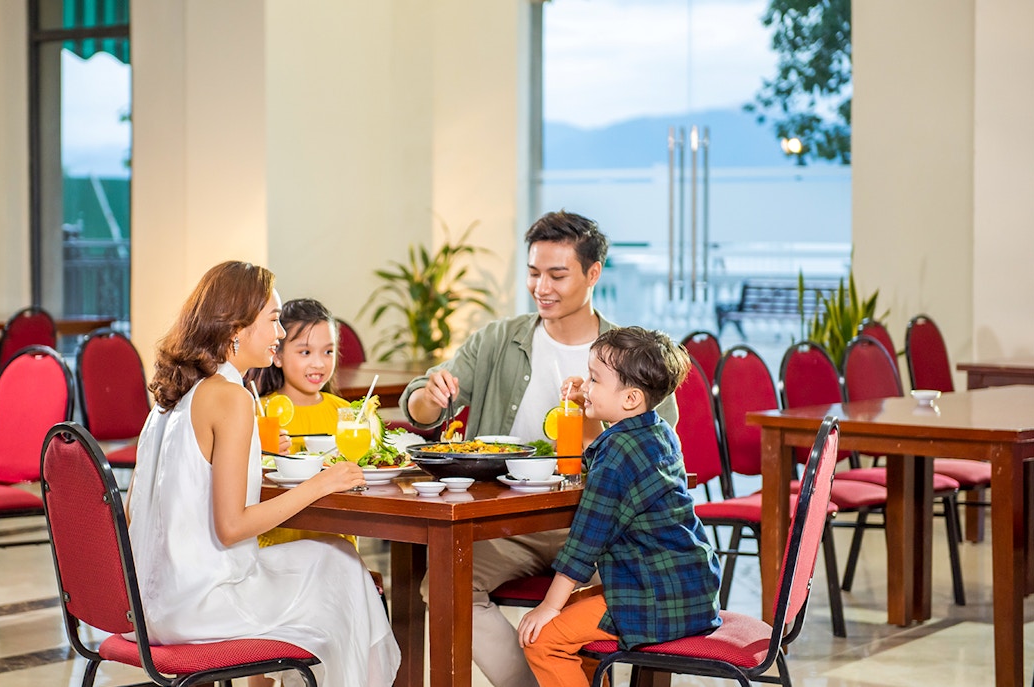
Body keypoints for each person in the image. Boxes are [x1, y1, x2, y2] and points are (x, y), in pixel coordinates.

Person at [399, 210, 678, 686]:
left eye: (557, 275)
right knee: (446, 583)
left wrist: (594, 422)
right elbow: (418, 408)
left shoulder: (631, 358)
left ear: (593, 273)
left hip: (597, 527)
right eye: (533, 273)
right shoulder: (497, 340)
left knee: (610, 600)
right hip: (509, 522)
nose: (541, 287)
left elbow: (659, 449)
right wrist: (430, 395)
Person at [125, 261, 400, 687]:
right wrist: (321, 483)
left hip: (148, 607)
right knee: (343, 563)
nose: (280, 333)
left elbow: (132, 511)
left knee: (331, 558)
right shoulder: (231, 397)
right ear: (236, 327)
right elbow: (232, 527)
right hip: (199, 608)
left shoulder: (169, 398)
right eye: (273, 320)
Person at [517, 326, 722, 686]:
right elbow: (606, 462)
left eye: (594, 379)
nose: (586, 386)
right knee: (570, 615)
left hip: (655, 599)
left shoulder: (617, 454)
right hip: (688, 589)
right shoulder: (658, 432)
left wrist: (548, 606)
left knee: (543, 641)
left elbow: (585, 542)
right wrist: (589, 403)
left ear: (630, 399)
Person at [248, 297, 357, 550]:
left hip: (337, 547)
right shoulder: (257, 413)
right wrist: (259, 453)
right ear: (277, 355)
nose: (319, 363)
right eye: (305, 352)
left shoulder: (347, 414)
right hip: (276, 548)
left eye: (328, 352)